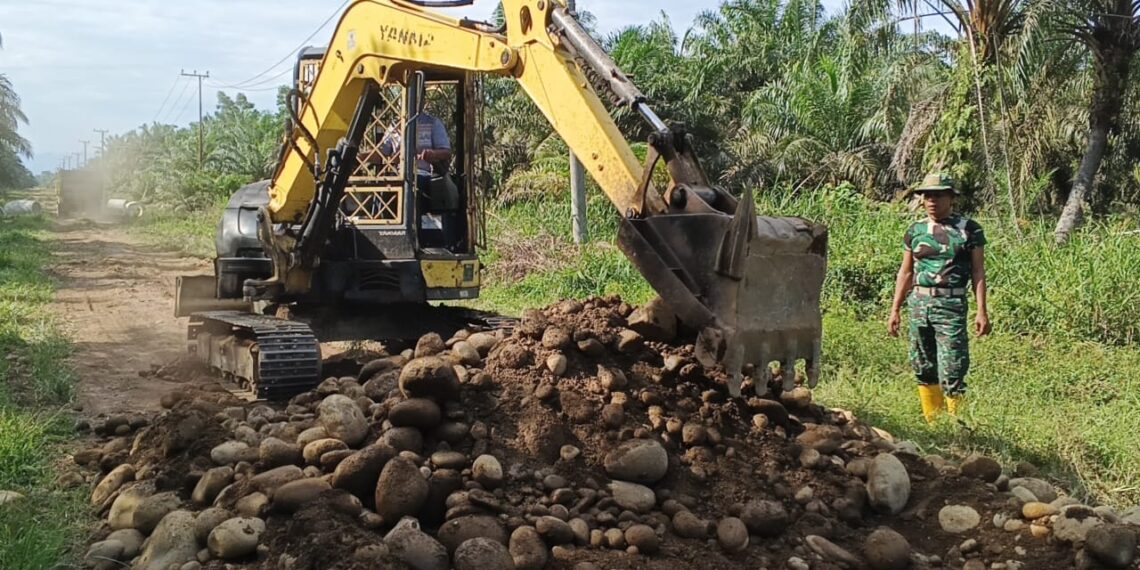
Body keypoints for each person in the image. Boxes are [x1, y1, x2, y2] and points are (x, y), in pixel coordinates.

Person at [887, 172, 991, 424]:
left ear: (951, 198)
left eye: (939, 195)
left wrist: (981, 311)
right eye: (927, 195)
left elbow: (978, 271)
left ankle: (958, 422)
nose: (932, 200)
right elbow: (906, 271)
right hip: (920, 304)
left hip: (951, 303)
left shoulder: (969, 230)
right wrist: (895, 309)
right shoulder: (916, 230)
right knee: (922, 363)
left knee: (954, 365)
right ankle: (933, 422)